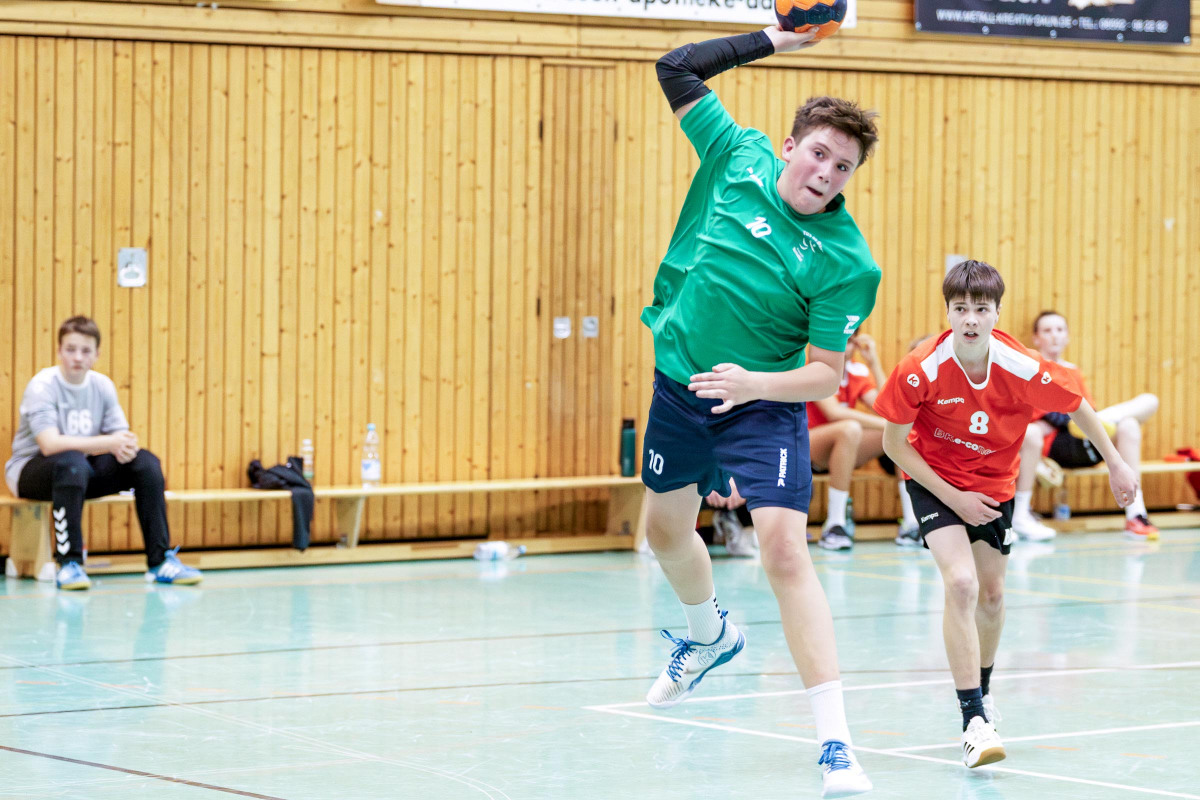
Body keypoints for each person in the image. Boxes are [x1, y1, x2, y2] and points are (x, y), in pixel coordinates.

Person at [641, 26, 880, 796]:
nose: (826, 173)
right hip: (681, 380)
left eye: (843, 167)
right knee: (663, 532)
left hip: (763, 400)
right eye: (819, 153)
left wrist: (753, 387)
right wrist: (784, 36)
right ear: (788, 147)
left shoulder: (847, 260)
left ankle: (836, 743)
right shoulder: (736, 155)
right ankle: (710, 635)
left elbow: (823, 376)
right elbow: (676, 66)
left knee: (782, 551)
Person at [874, 261, 1137, 768]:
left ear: (997, 312)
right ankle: (973, 719)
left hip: (994, 484)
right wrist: (954, 497)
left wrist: (1116, 463)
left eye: (981, 309)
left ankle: (984, 689)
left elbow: (1078, 404)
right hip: (933, 479)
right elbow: (894, 444)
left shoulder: (1021, 366)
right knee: (961, 584)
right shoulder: (920, 368)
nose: (970, 319)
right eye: (960, 309)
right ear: (948, 312)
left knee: (992, 597)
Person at [4, 316, 203, 590]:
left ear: (97, 354)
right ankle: (70, 564)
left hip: (81, 471)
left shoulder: (102, 385)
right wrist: (109, 443)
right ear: (59, 351)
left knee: (145, 463)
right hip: (31, 472)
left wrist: (126, 447)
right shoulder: (43, 386)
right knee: (71, 463)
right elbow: (49, 444)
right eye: (71, 349)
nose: (78, 357)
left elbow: (119, 437)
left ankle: (160, 562)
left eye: (85, 350)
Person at [1011, 310, 1161, 541]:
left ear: (1067, 336)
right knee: (1033, 431)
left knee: (1134, 420)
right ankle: (1019, 516)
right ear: (1036, 338)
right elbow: (1037, 421)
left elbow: (1084, 408)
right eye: (1047, 331)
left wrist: (1085, 418)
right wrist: (1064, 418)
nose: (1054, 335)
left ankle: (1136, 515)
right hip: (1054, 448)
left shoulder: (1073, 371)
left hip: (1087, 440)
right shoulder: (1029, 368)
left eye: (1060, 330)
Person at [806, 332, 920, 550]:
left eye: (849, 341)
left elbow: (889, 408)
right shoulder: (815, 368)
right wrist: (887, 425)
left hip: (844, 448)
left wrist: (874, 362)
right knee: (850, 428)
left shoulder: (857, 371)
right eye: (840, 339)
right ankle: (835, 523)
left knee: (900, 434)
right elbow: (834, 413)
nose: (844, 347)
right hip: (807, 446)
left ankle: (911, 523)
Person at [704, 479, 759, 557]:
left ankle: (745, 534)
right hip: (703, 481)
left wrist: (739, 482)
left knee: (756, 488)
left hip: (737, 480)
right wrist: (712, 481)